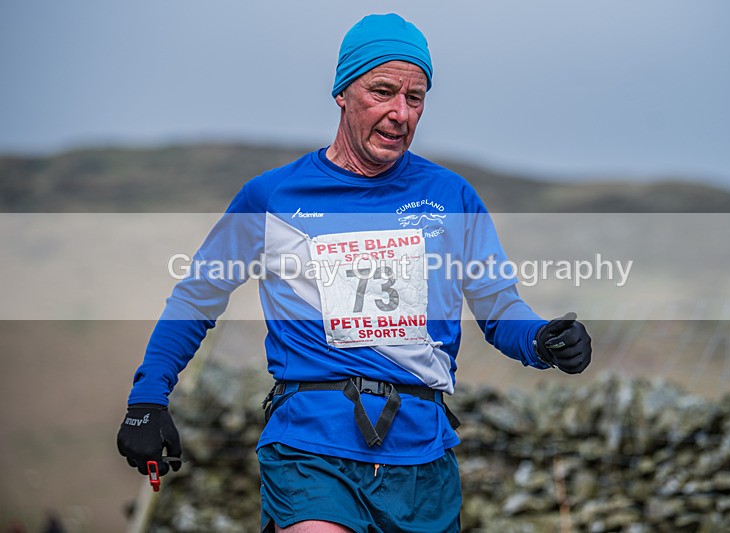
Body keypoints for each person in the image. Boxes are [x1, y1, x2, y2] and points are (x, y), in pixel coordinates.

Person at [116, 13, 592, 533]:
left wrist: (542, 340)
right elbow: (197, 297)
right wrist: (148, 399)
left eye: (415, 98)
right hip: (310, 445)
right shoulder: (273, 197)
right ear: (342, 92)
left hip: (422, 455)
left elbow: (499, 307)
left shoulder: (451, 197)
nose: (400, 113)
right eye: (382, 91)